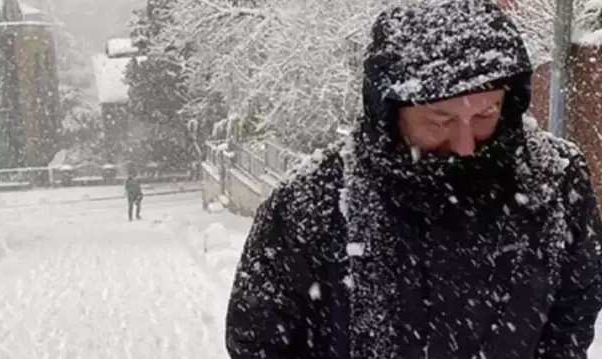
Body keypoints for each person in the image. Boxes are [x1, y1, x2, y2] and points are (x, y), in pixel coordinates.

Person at [225, 1, 602, 358]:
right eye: (439, 122)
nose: (466, 145)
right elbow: (259, 340)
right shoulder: (310, 205)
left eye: (487, 114)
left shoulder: (555, 181)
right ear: (388, 114)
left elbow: (573, 312)